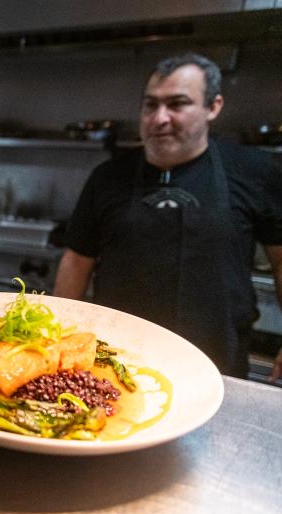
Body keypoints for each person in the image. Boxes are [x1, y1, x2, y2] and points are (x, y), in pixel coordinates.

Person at [53, 53, 282, 380]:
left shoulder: (253, 171)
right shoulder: (109, 176)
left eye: (177, 104)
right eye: (150, 105)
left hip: (217, 362)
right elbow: (77, 260)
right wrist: (57, 336)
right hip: (116, 363)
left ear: (213, 107)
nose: (159, 118)